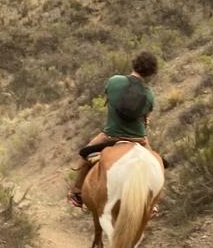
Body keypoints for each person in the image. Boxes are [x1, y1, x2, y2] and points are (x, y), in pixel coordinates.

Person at [67, 51, 158, 208]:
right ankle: (153, 202)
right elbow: (145, 119)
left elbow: (110, 100)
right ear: (151, 73)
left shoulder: (115, 81)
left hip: (111, 136)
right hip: (139, 139)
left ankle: (76, 192)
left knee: (86, 153)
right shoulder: (149, 95)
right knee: (156, 165)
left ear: (134, 63)